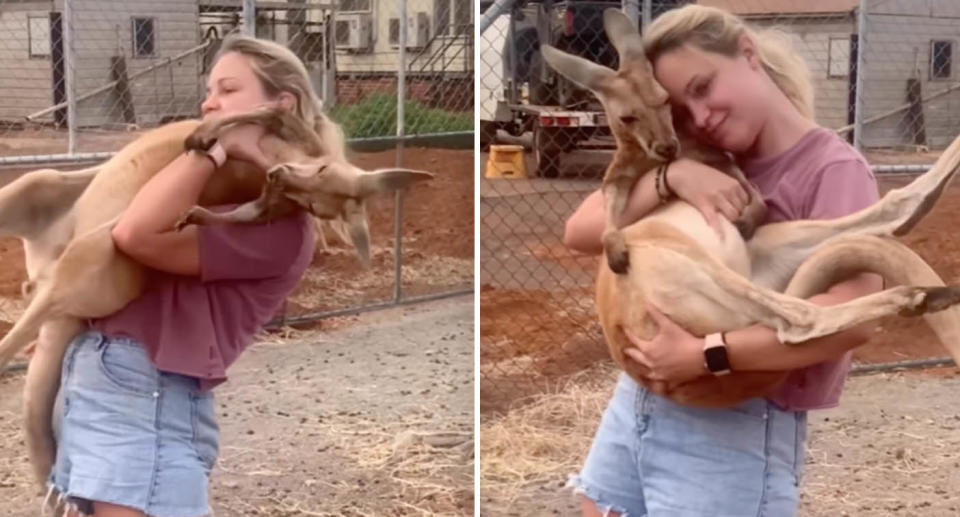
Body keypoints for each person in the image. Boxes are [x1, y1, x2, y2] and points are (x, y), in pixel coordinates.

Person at [563, 5, 883, 517]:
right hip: (641, 401)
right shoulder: (686, 153)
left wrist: (704, 355)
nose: (700, 117)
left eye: (704, 87)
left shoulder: (832, 170)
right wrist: (672, 179)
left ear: (748, 54)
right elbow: (580, 231)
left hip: (737, 414)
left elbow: (854, 318)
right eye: (682, 110)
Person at [46, 35, 344, 517]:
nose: (209, 102)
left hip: (146, 397)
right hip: (112, 385)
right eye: (209, 90)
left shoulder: (278, 227)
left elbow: (134, 234)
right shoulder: (218, 191)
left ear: (279, 106)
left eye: (228, 90)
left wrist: (212, 146)